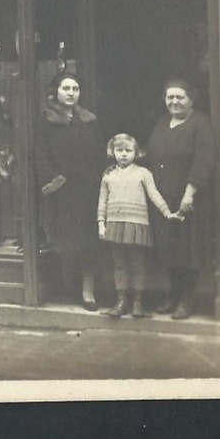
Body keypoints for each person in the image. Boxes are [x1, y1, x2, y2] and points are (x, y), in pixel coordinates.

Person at [146, 78, 215, 319]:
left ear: (191, 100)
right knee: (168, 248)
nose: (174, 101)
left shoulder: (200, 123)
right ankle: (173, 293)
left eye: (180, 97)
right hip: (164, 198)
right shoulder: (163, 122)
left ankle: (188, 297)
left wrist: (190, 193)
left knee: (188, 248)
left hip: (188, 197)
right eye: (170, 97)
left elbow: (203, 160)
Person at [35, 73, 105, 310]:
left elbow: (98, 153)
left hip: (87, 191)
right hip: (63, 191)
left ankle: (88, 291)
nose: (71, 92)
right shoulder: (45, 120)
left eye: (75, 88)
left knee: (88, 242)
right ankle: (64, 284)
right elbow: (40, 155)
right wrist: (54, 181)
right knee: (64, 241)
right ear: (56, 91)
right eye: (66, 88)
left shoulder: (89, 120)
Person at [97, 133, 179, 318]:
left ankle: (138, 302)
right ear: (113, 152)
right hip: (115, 224)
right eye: (119, 150)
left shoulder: (143, 173)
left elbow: (154, 194)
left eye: (128, 150)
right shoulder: (108, 175)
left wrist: (167, 212)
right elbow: (102, 201)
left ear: (137, 152)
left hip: (137, 223)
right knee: (119, 263)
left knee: (137, 263)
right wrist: (101, 223)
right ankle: (121, 301)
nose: (124, 154)